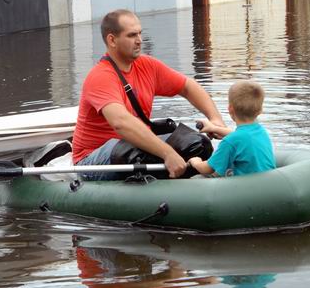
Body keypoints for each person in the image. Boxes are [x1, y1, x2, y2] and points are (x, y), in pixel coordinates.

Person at [72, 9, 225, 180]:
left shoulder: (147, 65)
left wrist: (215, 119)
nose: (139, 41)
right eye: (131, 35)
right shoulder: (100, 76)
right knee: (132, 151)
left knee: (198, 144)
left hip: (132, 148)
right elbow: (121, 123)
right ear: (112, 40)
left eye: (139, 33)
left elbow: (188, 87)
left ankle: (179, 182)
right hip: (92, 159)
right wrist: (167, 153)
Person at [188, 80, 275, 177]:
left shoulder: (229, 142)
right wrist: (214, 128)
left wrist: (195, 162)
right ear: (260, 110)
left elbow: (207, 168)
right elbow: (240, 136)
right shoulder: (261, 131)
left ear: (230, 109)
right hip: (267, 184)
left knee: (196, 177)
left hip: (244, 189)